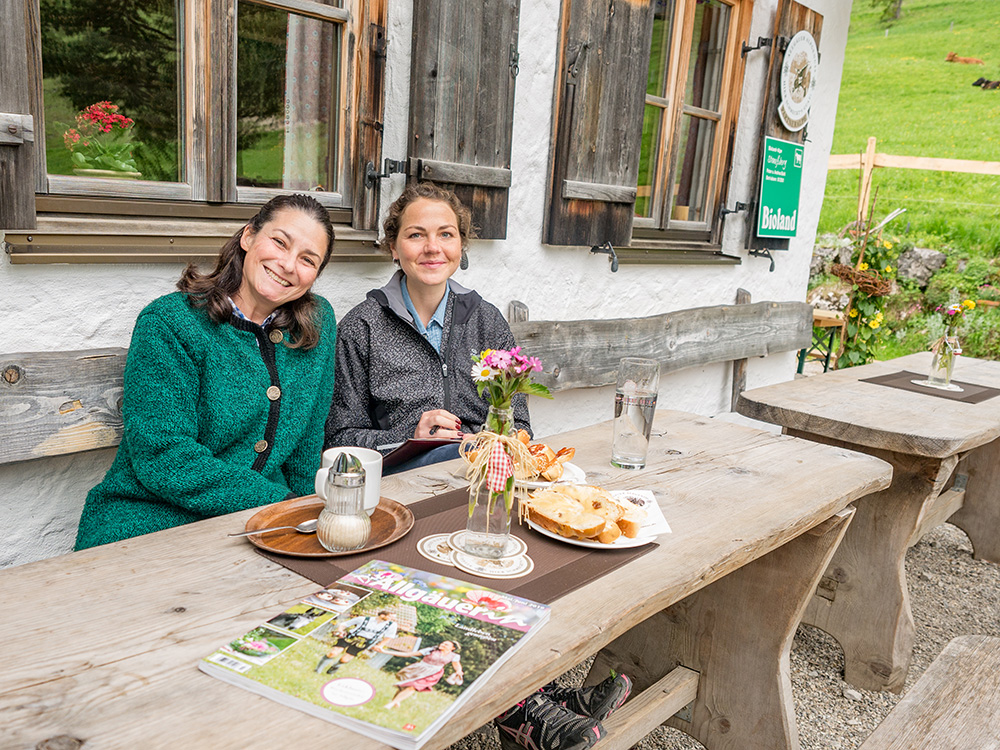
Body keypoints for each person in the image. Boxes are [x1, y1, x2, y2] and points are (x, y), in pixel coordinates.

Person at [74, 194, 337, 550]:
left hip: (259, 523)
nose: (289, 265)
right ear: (248, 237)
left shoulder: (316, 324)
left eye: (308, 260)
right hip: (152, 522)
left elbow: (306, 446)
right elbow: (163, 455)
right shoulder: (170, 322)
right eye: (279, 242)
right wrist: (283, 506)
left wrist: (305, 520)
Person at [325, 182, 530, 473]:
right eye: (416, 235)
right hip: (399, 484)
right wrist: (410, 439)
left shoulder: (487, 322)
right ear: (394, 247)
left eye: (446, 234)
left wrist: (488, 442)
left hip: (483, 476)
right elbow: (338, 440)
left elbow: (519, 425)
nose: (433, 248)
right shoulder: (361, 328)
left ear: (461, 245)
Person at [383, 640, 464, 709]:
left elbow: (456, 665)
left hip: (432, 673)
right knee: (405, 686)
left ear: (452, 648)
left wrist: (459, 671)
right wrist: (384, 651)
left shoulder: (454, 656)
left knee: (413, 687)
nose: (442, 645)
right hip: (419, 669)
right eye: (442, 643)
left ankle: (391, 704)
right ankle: (396, 701)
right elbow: (409, 654)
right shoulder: (432, 650)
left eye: (446, 644)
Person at [314, 610, 398, 675]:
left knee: (344, 659)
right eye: (390, 616)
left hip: (364, 642)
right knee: (333, 653)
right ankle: (318, 670)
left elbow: (389, 637)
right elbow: (344, 624)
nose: (392, 619)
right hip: (350, 637)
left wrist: (380, 645)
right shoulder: (363, 619)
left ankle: (334, 668)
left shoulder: (392, 625)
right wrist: (340, 631)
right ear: (382, 615)